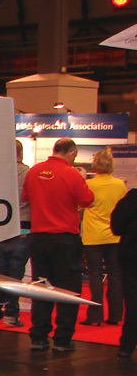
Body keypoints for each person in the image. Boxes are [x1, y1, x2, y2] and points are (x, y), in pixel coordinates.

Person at [22, 137, 94, 352]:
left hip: (39, 237)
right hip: (65, 239)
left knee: (41, 287)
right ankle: (62, 339)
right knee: (67, 291)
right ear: (71, 153)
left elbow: (26, 197)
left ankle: (38, 336)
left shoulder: (33, 172)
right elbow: (87, 200)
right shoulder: (72, 175)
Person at [80, 149, 126, 326]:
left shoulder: (89, 185)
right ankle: (115, 315)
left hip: (93, 237)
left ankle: (95, 316)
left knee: (95, 276)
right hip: (114, 236)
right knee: (115, 275)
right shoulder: (120, 185)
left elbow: (80, 205)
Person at [0, 139, 31, 328]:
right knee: (15, 277)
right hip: (22, 229)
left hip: (0, 229)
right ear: (20, 154)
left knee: (0, 275)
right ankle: (12, 316)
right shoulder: (28, 173)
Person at [110, 186, 137, 360]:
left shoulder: (130, 200)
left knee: (133, 300)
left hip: (131, 255)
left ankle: (127, 345)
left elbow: (117, 228)